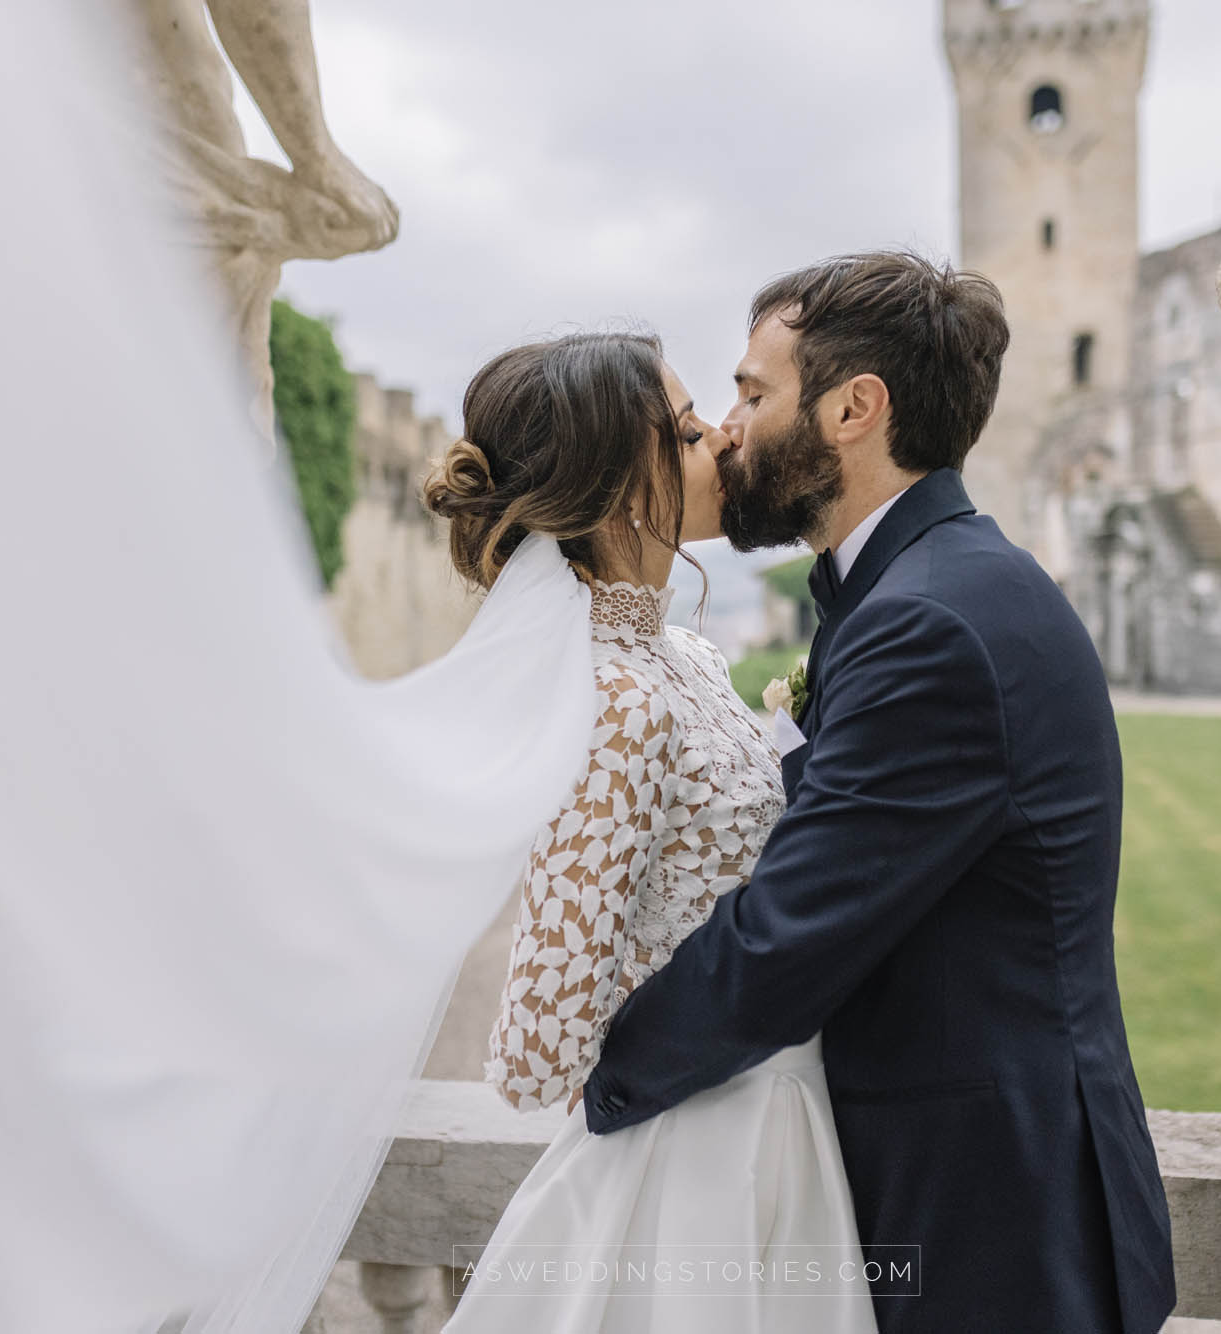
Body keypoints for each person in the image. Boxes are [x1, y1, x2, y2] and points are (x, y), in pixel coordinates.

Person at [581, 252, 1177, 1333]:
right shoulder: (923, 586)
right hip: (976, 1193)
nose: (726, 428)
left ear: (853, 409)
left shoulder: (927, 623)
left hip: (993, 1231)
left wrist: (606, 1077)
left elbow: (786, 937)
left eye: (753, 393)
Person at [431, 332, 877, 1333]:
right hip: (695, 1157)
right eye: (683, 431)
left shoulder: (684, 657)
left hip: (781, 1123)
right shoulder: (614, 698)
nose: (720, 435)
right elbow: (538, 1051)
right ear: (617, 485)